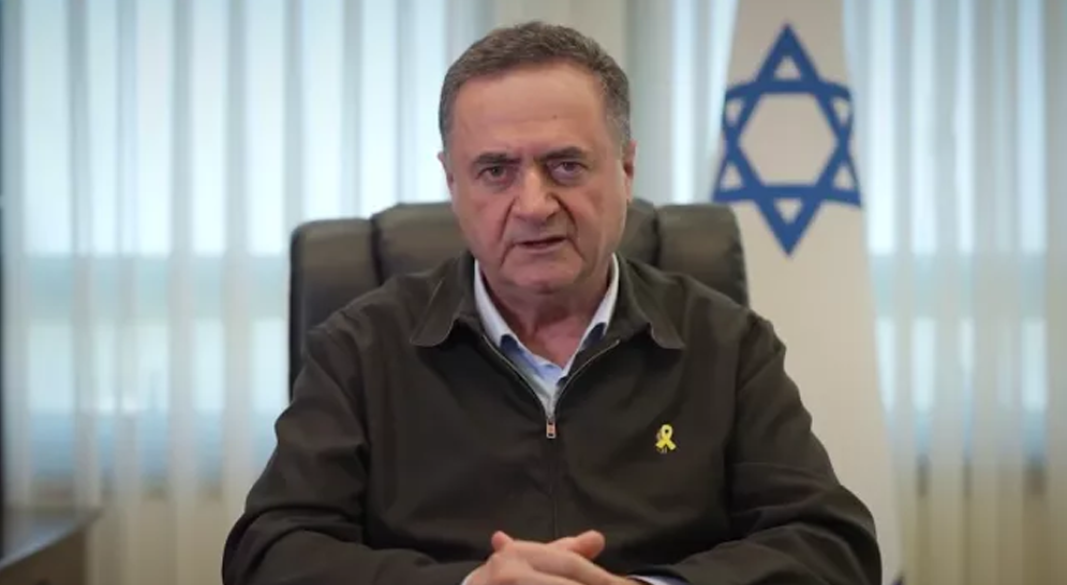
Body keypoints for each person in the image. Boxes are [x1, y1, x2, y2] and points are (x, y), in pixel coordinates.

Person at [221, 21, 882, 585]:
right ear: (452, 182)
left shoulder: (726, 344)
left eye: (566, 165)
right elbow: (270, 551)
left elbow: (831, 546)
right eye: (495, 171)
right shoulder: (361, 348)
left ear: (626, 170)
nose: (534, 205)